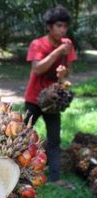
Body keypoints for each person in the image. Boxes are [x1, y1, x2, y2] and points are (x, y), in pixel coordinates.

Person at [24, 5, 77, 188]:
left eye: (65, 26)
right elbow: (37, 68)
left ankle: (55, 178)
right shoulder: (38, 44)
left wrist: (63, 74)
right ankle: (16, 170)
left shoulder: (67, 45)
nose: (62, 30)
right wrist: (57, 52)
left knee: (54, 139)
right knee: (21, 135)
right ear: (49, 26)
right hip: (33, 98)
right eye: (59, 26)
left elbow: (68, 72)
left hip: (53, 101)